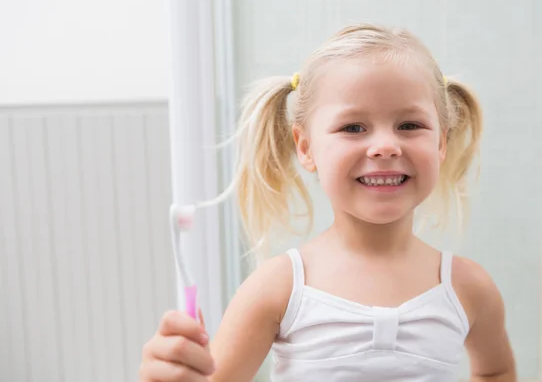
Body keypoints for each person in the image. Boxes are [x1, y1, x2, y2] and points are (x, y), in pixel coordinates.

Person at [139, 23, 516, 382]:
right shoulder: (279, 287)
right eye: (353, 127)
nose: (385, 145)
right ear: (305, 147)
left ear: (441, 143)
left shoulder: (470, 288)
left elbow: (495, 371)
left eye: (409, 125)